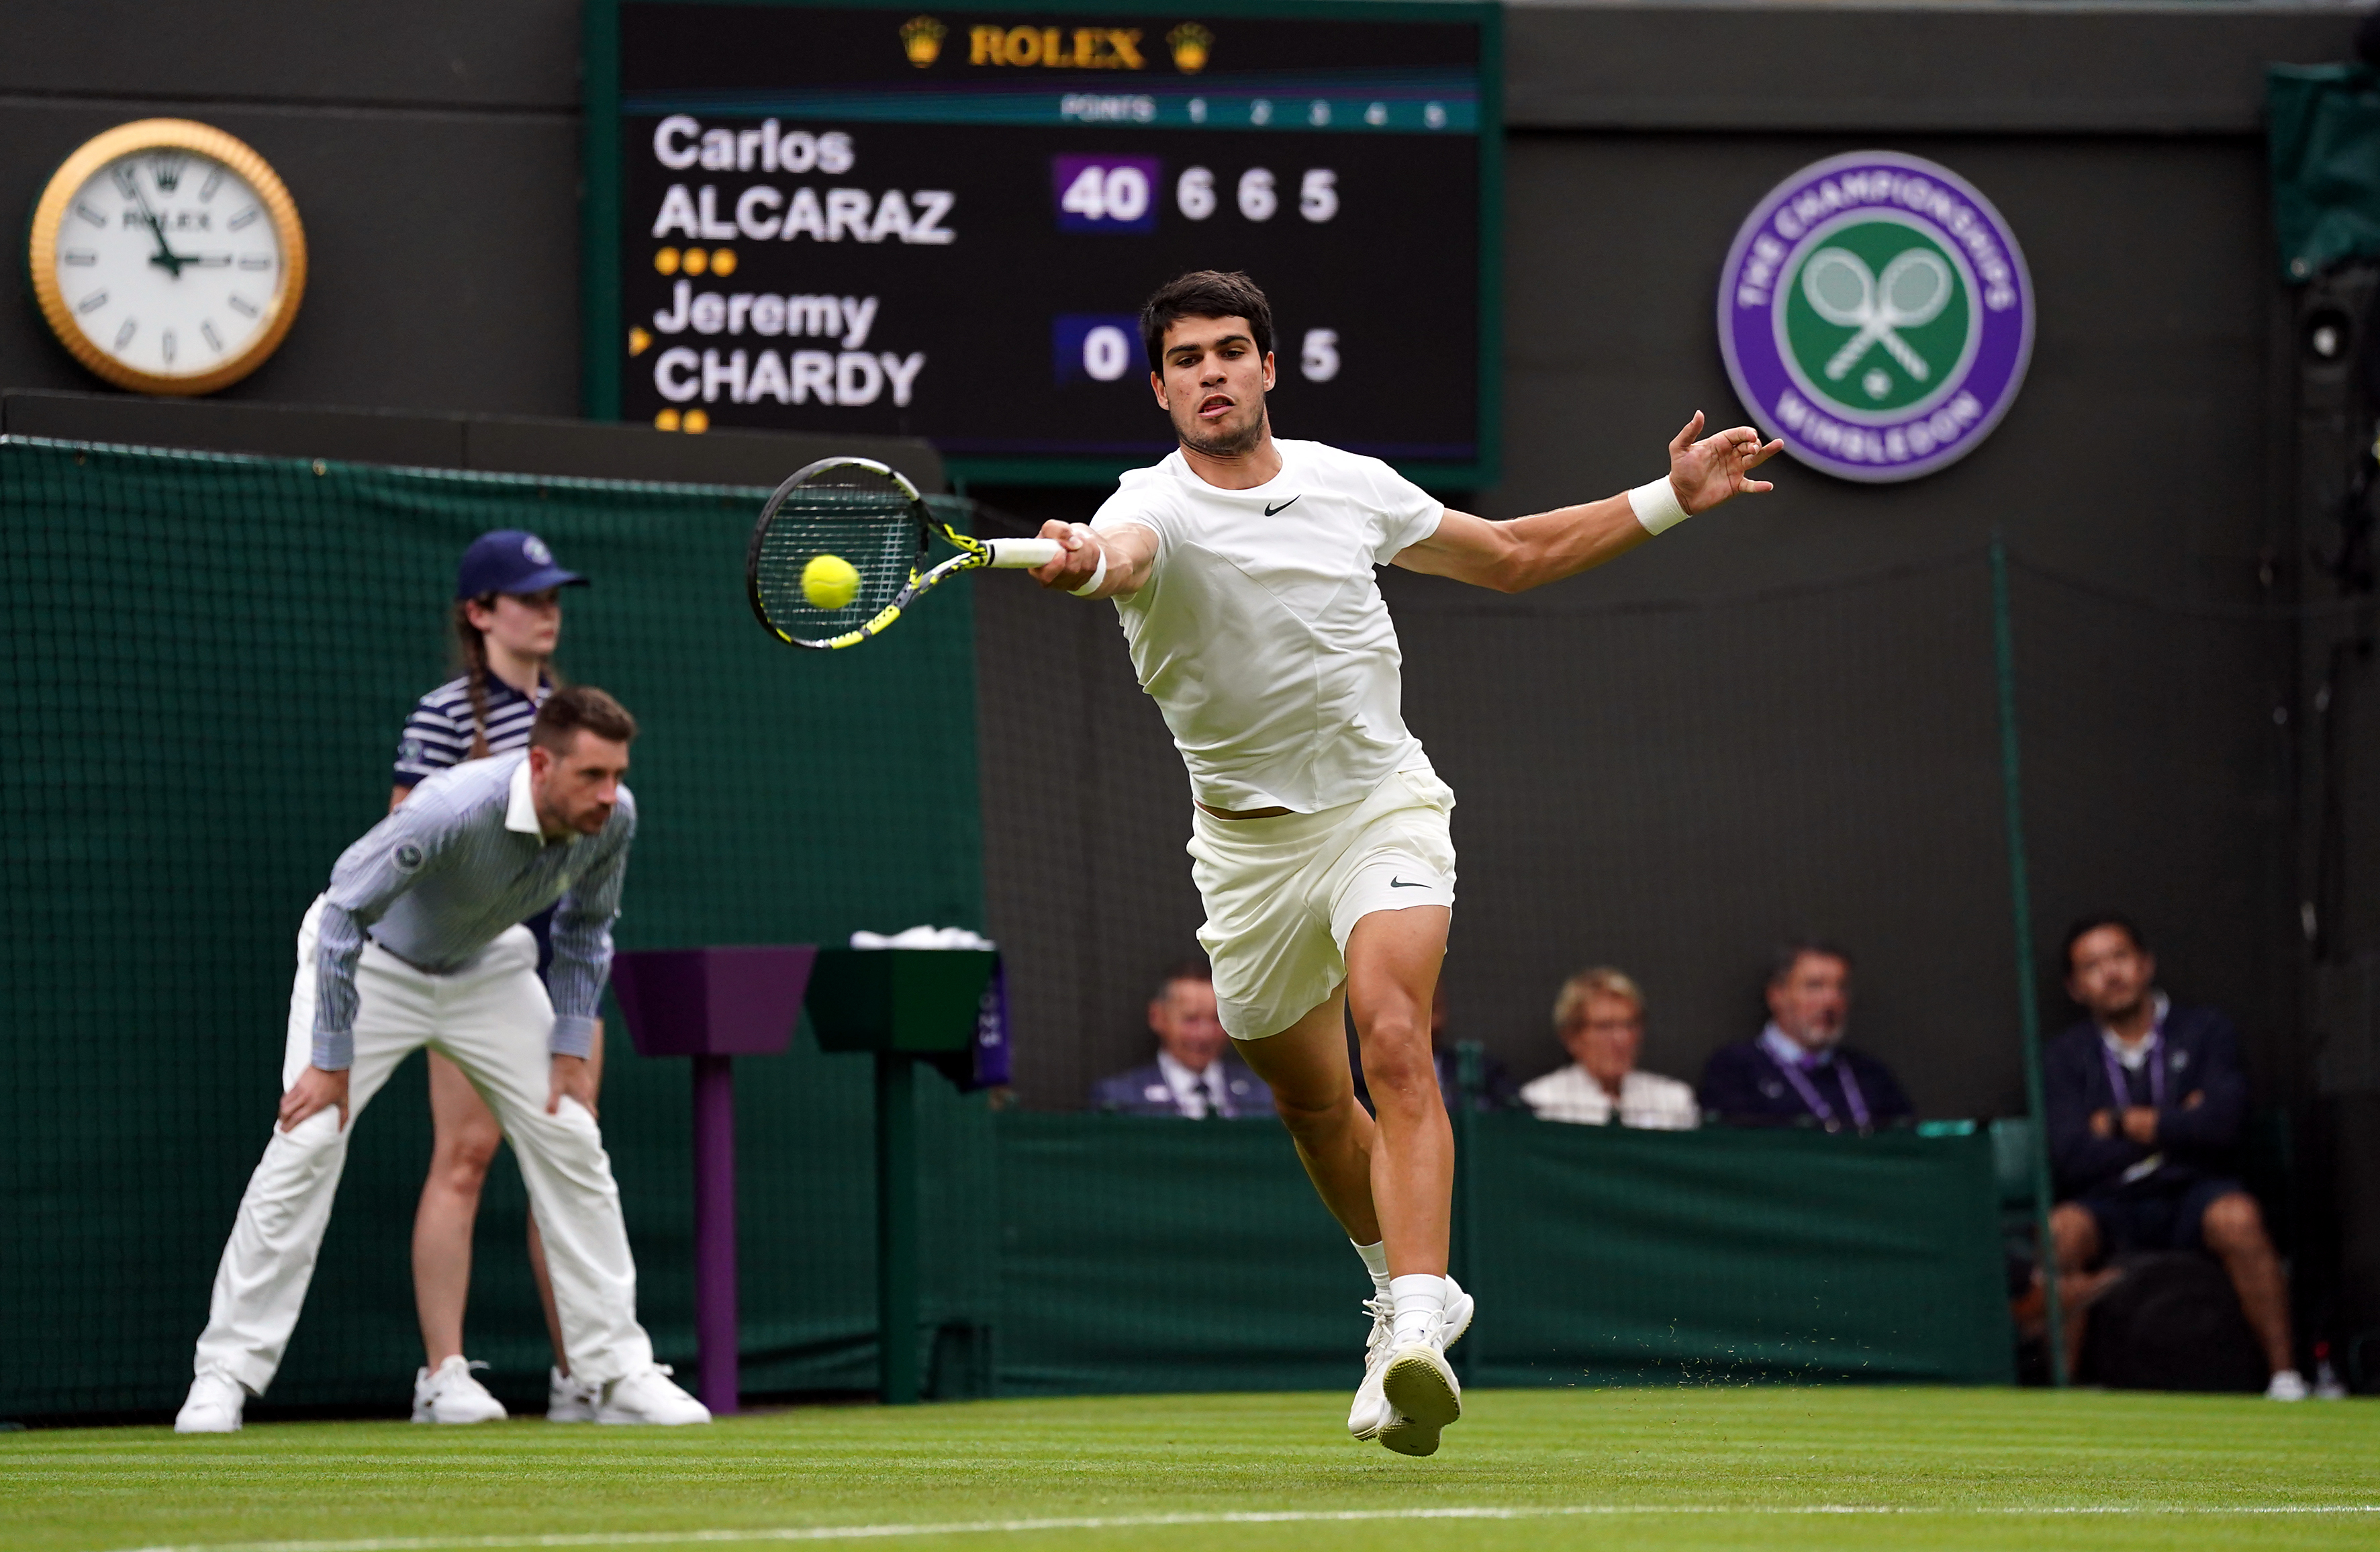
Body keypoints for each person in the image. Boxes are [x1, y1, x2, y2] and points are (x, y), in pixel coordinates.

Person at [1026, 269, 1780, 1455]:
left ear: (1270, 367)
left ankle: (1416, 1323)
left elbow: (1515, 555)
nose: (1212, 372)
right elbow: (1119, 551)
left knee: (1393, 1035)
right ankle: (1396, 1285)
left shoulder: (1348, 486)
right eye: (1187, 359)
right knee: (1313, 1103)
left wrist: (1670, 499)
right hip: (1246, 851)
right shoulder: (1148, 505)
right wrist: (1084, 557)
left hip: (1381, 807)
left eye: (1232, 350)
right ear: (1161, 386)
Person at [175, 687, 708, 1432]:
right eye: (592, 775)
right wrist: (330, 1060)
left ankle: (616, 1370)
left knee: (572, 1138)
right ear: (541, 763)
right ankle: (224, 1374)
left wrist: (566, 1047)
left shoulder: (611, 820)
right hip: (374, 965)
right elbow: (339, 916)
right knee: (306, 1141)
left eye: (617, 774)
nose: (608, 794)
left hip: (486, 967)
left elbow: (587, 931)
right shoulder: (451, 808)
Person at [395, 529, 606, 1425]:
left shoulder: (582, 719)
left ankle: (584, 1374)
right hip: (472, 967)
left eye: (554, 595)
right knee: (467, 1156)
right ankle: (443, 1373)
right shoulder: (441, 714)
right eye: (528, 596)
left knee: (568, 1164)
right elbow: (404, 843)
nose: (547, 610)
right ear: (480, 613)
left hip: (563, 971)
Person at [2046, 913, 2307, 1400]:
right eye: (2092, 965)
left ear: (2145, 964)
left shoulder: (2206, 1030)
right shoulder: (2064, 1055)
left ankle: (2285, 1377)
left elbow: (2222, 1127)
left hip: (2194, 1191)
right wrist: (2176, 1122)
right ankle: (2064, 1389)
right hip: (2112, 1201)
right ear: (2075, 987)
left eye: (2119, 956)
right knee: (2060, 1232)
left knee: (2239, 1217)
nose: (2111, 972)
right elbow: (2070, 1155)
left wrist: (2119, 1123)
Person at [1699, 942, 1913, 1131]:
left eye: (1841, 988)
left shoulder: (1870, 1073)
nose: (1831, 1001)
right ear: (1777, 996)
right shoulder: (1735, 1069)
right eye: (1815, 986)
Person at [1089, 958, 1277, 1117]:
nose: (1204, 1034)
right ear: (1158, 1017)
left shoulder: (1265, 1095)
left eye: (1217, 1020)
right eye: (1191, 1020)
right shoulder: (1120, 1099)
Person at [1520, 968, 1697, 1129]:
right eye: (1605, 1027)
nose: (1622, 1039)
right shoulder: (1541, 1102)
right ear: (1572, 1037)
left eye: (1630, 1025)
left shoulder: (1674, 1101)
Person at [1349, 983, 1521, 1116]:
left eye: (1435, 1009)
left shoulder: (1483, 1071)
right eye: (1417, 1014)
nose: (1433, 1023)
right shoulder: (1353, 1080)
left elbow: (1518, 1119)